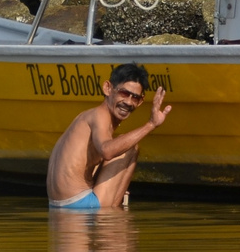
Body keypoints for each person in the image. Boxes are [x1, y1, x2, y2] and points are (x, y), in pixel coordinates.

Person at [46, 63, 171, 211]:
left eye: (135, 98)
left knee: (117, 146)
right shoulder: (100, 116)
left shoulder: (86, 116)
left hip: (57, 207)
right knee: (129, 148)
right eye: (124, 93)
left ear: (141, 101)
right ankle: (113, 210)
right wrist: (151, 124)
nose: (128, 102)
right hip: (81, 204)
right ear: (108, 88)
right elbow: (107, 151)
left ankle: (113, 197)